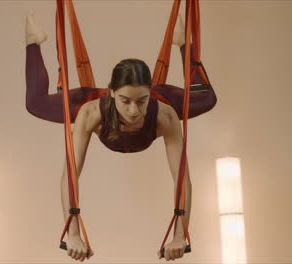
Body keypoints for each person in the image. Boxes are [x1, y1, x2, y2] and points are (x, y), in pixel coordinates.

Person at [24, 9, 216, 262]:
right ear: (112, 92)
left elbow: (182, 179)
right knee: (35, 104)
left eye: (141, 101)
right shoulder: (91, 112)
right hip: (95, 105)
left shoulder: (165, 116)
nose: (134, 111)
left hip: (162, 101)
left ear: (149, 93)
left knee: (208, 99)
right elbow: (70, 175)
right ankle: (32, 40)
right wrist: (73, 233)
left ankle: (182, 42)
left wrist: (181, 234)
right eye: (125, 101)